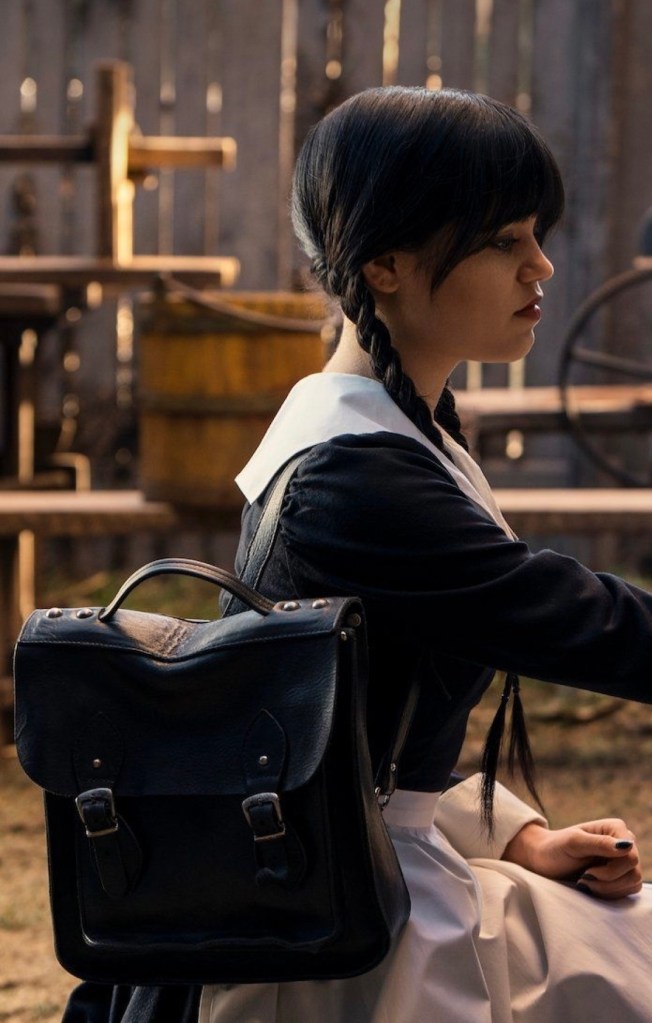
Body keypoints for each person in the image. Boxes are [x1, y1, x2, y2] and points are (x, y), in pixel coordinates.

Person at [63, 85, 652, 1023]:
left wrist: (515, 835)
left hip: (366, 869)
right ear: (386, 264)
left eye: (537, 233)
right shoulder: (355, 479)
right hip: (344, 942)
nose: (541, 264)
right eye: (504, 240)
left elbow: (351, 730)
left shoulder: (379, 431)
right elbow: (591, 624)